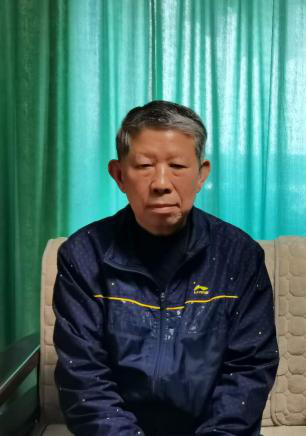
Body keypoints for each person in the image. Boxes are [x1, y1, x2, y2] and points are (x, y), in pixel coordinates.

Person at [53, 100, 279, 435]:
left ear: (201, 174)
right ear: (119, 175)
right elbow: (84, 379)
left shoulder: (239, 256)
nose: (161, 182)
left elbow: (248, 372)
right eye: (145, 165)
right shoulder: (84, 256)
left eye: (177, 166)